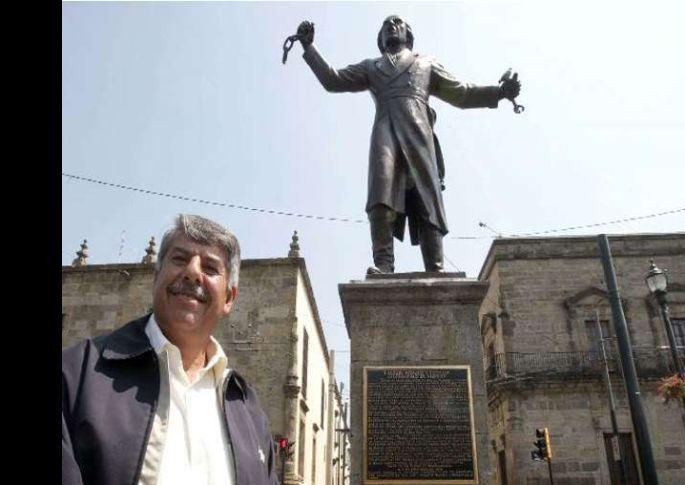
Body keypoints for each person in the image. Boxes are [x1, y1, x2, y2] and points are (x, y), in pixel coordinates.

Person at [62, 214, 279, 485]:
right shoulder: (75, 377)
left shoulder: (248, 411)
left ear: (229, 299)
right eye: (179, 259)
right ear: (156, 277)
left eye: (210, 268)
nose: (192, 271)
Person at [296, 15, 521, 274]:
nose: (392, 25)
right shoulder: (372, 67)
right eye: (386, 25)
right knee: (380, 195)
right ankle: (384, 264)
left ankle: (435, 267)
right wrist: (308, 47)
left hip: (419, 132)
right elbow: (333, 80)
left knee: (427, 198)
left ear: (408, 35)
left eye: (398, 23)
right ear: (380, 39)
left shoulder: (425, 63)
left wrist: (500, 92)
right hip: (385, 130)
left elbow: (462, 93)